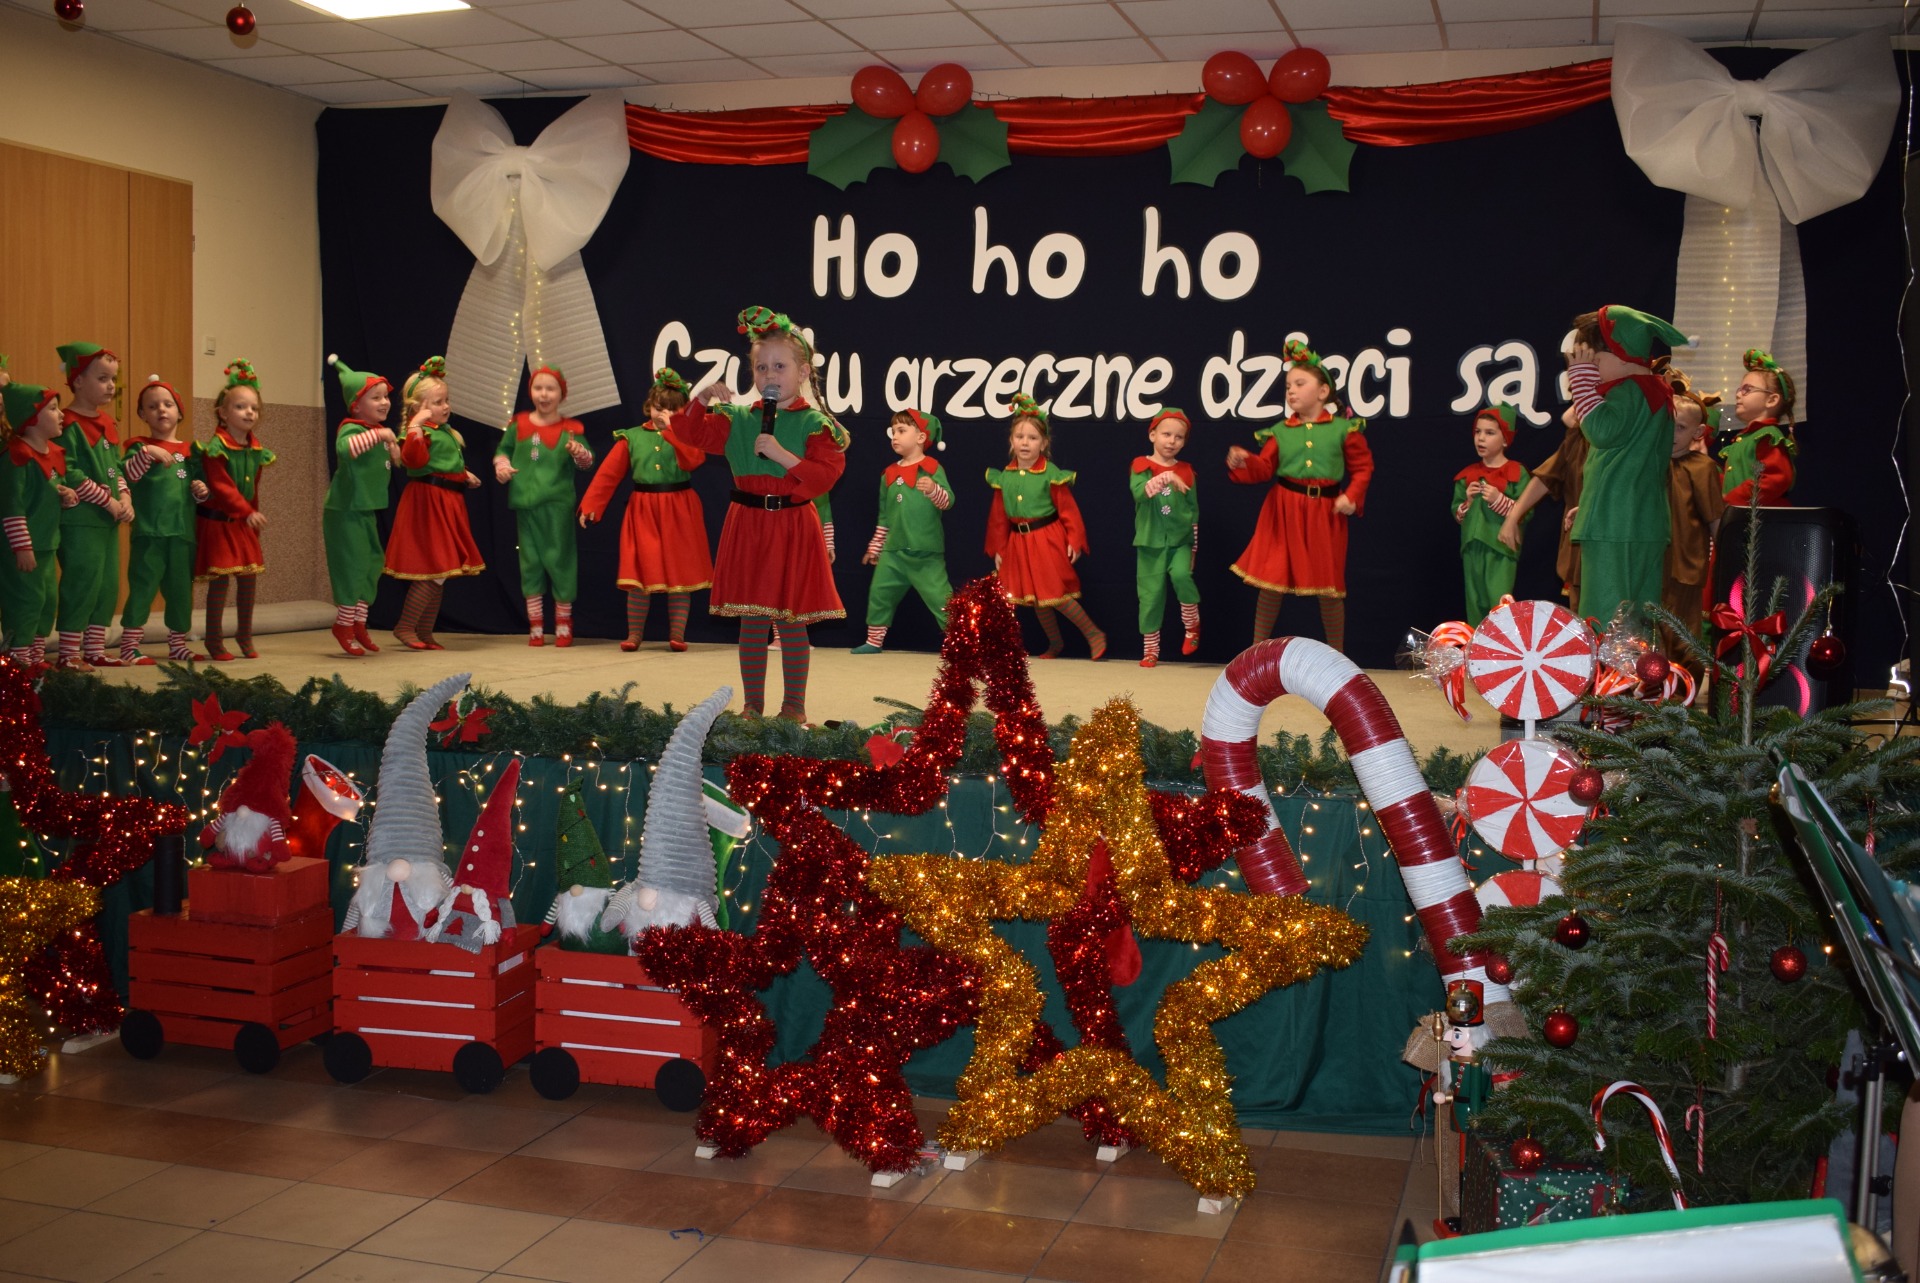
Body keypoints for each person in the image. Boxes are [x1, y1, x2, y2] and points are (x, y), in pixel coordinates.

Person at [671, 307, 847, 721]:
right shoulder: (737, 418)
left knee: (791, 620)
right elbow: (688, 433)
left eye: (780, 366)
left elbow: (825, 475)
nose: (769, 374)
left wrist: (783, 455)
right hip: (748, 525)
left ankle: (793, 707)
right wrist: (701, 399)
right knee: (752, 619)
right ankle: (752, 706)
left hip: (792, 525)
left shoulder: (814, 423)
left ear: (802, 372)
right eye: (761, 366)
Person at [1225, 339, 1373, 654]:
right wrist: (1245, 461)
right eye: (1288, 386)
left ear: (1322, 391)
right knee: (1271, 580)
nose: (1291, 390)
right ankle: (1255, 652)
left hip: (1324, 514)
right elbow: (1265, 468)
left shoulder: (1343, 430)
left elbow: (1363, 468)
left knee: (1329, 589)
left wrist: (1351, 495)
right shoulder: (1280, 431)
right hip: (1282, 512)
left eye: (1300, 384)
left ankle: (1337, 655)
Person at [1564, 306, 1686, 626]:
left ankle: (1610, 664)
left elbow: (1602, 432)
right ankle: (1642, 662)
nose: (1593, 371)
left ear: (1621, 354)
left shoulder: (1629, 390)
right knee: (1639, 621)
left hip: (1614, 524)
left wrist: (1581, 382)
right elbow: (1628, 460)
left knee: (1605, 616)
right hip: (1642, 522)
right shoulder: (1656, 392)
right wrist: (1591, 503)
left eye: (1595, 362)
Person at [579, 368, 713, 652]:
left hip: (679, 509)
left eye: (672, 409)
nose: (663, 414)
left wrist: (673, 431)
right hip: (643, 511)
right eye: (659, 407)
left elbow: (693, 461)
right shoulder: (631, 437)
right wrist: (592, 505)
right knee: (639, 574)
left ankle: (677, 635)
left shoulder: (687, 436)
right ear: (649, 406)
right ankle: (634, 635)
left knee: (680, 575)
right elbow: (609, 475)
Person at [986, 393, 1106, 660]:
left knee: (1055, 593)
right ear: (1011, 441)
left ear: (1044, 443)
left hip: (1046, 540)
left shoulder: (1050, 474)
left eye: (1032, 438)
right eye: (1020, 437)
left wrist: (1074, 540)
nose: (1025, 442)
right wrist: (999, 548)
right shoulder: (1004, 476)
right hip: (1018, 542)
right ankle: (1055, 642)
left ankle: (1093, 633)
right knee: (1035, 597)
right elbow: (998, 518)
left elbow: (1068, 511)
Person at [385, 356, 484, 650]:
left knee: (440, 575)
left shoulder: (444, 432)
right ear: (418, 407)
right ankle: (406, 627)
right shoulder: (418, 433)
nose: (446, 406)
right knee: (434, 571)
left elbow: (441, 464)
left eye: (446, 400)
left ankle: (425, 631)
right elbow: (414, 461)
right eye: (438, 402)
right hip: (428, 504)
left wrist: (463, 475)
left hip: (447, 503)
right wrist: (415, 427)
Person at [496, 364, 592, 647]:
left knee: (560, 560)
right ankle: (535, 625)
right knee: (530, 563)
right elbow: (502, 452)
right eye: (538, 388)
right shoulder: (518, 425)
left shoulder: (571, 429)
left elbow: (587, 463)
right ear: (531, 392)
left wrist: (579, 453)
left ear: (562, 394)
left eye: (551, 389)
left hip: (557, 505)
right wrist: (502, 467)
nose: (544, 394)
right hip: (525, 505)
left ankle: (563, 622)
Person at [193, 360, 276, 660]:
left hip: (242, 524)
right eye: (240, 407)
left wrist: (252, 517)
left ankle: (244, 634)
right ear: (223, 413)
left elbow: (252, 490)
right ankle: (214, 640)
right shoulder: (216, 448)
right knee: (220, 582)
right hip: (219, 524)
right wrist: (246, 512)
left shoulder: (255, 450)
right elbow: (222, 487)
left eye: (254, 408)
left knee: (248, 580)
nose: (249, 413)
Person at [52, 342, 128, 670]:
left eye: (113, 379)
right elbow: (69, 471)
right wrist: (107, 500)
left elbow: (116, 468)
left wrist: (124, 497)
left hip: (107, 521)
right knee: (81, 582)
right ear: (78, 380)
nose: (111, 385)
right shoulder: (66, 424)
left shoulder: (107, 423)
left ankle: (95, 648)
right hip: (81, 520)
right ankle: (69, 652)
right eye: (102, 378)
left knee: (106, 586)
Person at [854, 408, 954, 655]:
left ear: (921, 437)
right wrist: (876, 547)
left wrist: (933, 489)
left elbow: (948, 502)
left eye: (901, 430)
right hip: (893, 552)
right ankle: (874, 641)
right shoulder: (888, 474)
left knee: (942, 600)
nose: (895, 436)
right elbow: (884, 516)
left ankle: (960, 641)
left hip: (925, 551)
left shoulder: (932, 468)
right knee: (880, 593)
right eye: (893, 431)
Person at [117, 376, 200, 663]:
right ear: (142, 414)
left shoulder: (191, 453)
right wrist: (147, 452)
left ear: (179, 412)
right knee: (142, 588)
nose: (161, 410)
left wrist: (201, 490)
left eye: (167, 404)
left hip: (182, 535)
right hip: (149, 533)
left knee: (180, 593)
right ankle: (129, 645)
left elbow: (201, 491)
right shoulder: (138, 446)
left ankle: (177, 645)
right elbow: (127, 476)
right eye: (152, 407)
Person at [321, 355, 398, 657]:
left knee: (371, 565)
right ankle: (343, 624)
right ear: (356, 405)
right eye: (375, 397)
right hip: (344, 511)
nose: (384, 402)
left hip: (364, 510)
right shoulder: (351, 429)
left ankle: (358, 623)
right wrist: (380, 435)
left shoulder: (377, 433)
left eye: (385, 397)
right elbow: (345, 449)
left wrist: (394, 447)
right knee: (351, 568)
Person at [0, 381, 76, 668]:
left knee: (46, 601)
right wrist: (22, 547)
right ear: (31, 419)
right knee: (25, 601)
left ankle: (35, 656)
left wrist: (68, 496)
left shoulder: (52, 453)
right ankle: (17, 660)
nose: (62, 415)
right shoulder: (17, 457)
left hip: (46, 543)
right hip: (25, 547)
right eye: (53, 409)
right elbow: (12, 508)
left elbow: (53, 491)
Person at [1130, 406, 1200, 667]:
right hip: (1150, 542)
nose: (1171, 441)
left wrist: (1193, 548)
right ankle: (1150, 649)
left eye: (1178, 437)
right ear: (1153, 435)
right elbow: (1140, 493)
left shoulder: (1187, 471)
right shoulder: (1141, 466)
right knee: (1150, 596)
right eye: (1166, 434)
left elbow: (1193, 511)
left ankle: (1192, 625)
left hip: (1180, 540)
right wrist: (1165, 477)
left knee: (1181, 576)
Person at [1498, 405, 1586, 608]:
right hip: (1578, 545)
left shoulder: (1617, 440)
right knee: (1581, 608)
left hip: (1609, 541)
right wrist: (1513, 517)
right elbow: (1546, 476)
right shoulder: (1577, 440)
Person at [1452, 404, 1530, 626]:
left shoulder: (1517, 473)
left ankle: (1502, 644)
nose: (1481, 438)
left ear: (1505, 439)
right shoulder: (1468, 475)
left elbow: (1525, 511)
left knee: (1499, 602)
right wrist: (1467, 502)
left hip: (1500, 549)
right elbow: (1457, 514)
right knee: (1474, 603)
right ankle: (1478, 643)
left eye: (1489, 433)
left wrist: (1498, 500)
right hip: (1472, 548)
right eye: (1478, 432)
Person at [1664, 379, 1726, 635]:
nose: (1671, 433)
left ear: (1698, 432)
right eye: (1667, 424)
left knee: (1682, 630)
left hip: (1686, 565)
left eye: (1680, 427)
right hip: (1652, 559)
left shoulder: (1702, 467)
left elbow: (1715, 517)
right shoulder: (1650, 462)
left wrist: (1725, 557)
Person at [1722, 348, 1797, 507]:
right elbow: (1731, 480)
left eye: (1747, 390)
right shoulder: (1744, 438)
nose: (1738, 394)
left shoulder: (1768, 436)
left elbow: (1777, 478)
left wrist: (1733, 500)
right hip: (1741, 515)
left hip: (1763, 518)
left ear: (1771, 400)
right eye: (1739, 389)